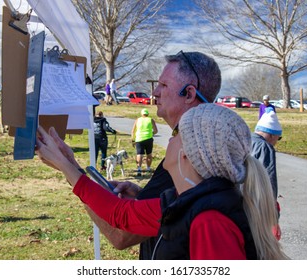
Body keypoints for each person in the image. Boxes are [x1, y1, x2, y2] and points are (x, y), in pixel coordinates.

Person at [36, 103, 289, 259]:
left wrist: (66, 167)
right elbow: (120, 215)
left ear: (188, 154)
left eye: (177, 134)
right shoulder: (182, 202)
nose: (169, 139)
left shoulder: (210, 221)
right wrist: (68, 165)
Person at [35, 51, 222, 260]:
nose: (155, 93)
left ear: (188, 93)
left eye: (164, 85)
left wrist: (66, 166)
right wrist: (142, 195)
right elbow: (161, 212)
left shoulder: (190, 160)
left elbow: (120, 232)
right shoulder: (205, 153)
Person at [252, 110, 283, 240]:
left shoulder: (246, 140)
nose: (277, 141)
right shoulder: (265, 147)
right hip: (257, 203)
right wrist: (273, 214)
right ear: (271, 135)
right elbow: (269, 181)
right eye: (278, 138)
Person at [131, 108, 158, 176]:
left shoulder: (137, 120)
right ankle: (148, 168)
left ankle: (139, 169)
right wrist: (151, 133)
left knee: (139, 154)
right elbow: (156, 130)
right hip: (148, 139)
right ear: (148, 114)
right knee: (149, 154)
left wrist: (133, 139)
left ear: (141, 114)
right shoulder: (151, 120)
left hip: (139, 139)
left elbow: (133, 131)